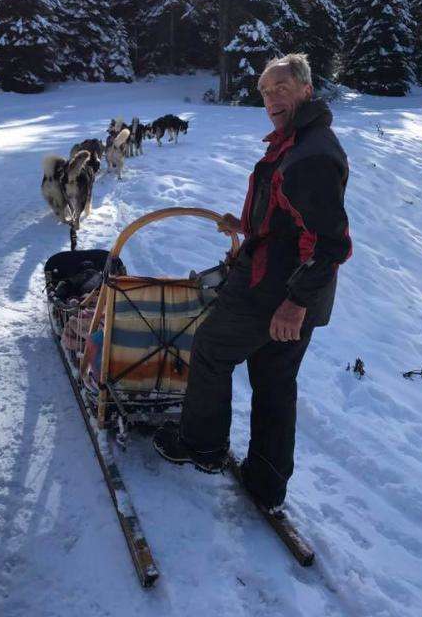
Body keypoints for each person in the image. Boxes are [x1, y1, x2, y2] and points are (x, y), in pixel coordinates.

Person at [153, 53, 352, 511]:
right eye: (264, 91)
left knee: (210, 350)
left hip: (275, 291)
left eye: (281, 87)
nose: (270, 98)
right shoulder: (297, 142)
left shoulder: (311, 153)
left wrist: (294, 304)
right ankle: (266, 481)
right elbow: (290, 217)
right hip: (287, 285)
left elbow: (329, 243)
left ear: (306, 90)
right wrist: (246, 226)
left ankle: (201, 446)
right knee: (274, 381)